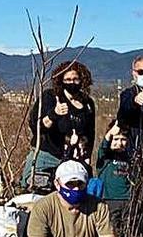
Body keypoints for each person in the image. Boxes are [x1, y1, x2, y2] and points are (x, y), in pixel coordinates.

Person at [22, 61, 96, 190]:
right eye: (67, 79)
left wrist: (87, 157)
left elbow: (90, 133)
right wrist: (54, 114)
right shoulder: (50, 97)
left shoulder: (88, 104)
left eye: (75, 79)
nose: (71, 83)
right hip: (47, 158)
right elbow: (37, 127)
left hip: (74, 161)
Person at [96, 120, 132, 231]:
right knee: (112, 230)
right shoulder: (105, 157)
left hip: (127, 199)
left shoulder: (129, 157)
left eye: (123, 139)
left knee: (126, 230)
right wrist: (110, 133)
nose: (119, 143)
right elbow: (103, 147)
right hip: (110, 200)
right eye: (116, 139)